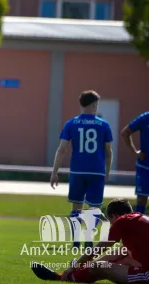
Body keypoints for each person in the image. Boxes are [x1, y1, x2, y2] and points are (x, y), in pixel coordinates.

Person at [50, 90, 113, 248]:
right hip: (97, 171)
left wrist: (54, 172)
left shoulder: (71, 123)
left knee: (76, 207)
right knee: (94, 208)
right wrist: (108, 171)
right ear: (93, 105)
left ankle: (76, 242)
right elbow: (108, 151)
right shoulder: (104, 125)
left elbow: (62, 149)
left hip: (77, 171)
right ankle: (89, 241)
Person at [31, 198, 149, 283]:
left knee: (100, 266)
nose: (111, 225)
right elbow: (115, 254)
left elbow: (97, 249)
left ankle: (62, 277)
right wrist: (86, 265)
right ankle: (76, 276)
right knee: (121, 256)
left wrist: (74, 266)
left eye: (110, 221)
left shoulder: (122, 221)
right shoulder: (140, 220)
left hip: (146, 275)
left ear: (115, 216)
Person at [121, 111, 149, 215]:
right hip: (145, 166)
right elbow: (125, 133)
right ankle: (138, 227)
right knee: (141, 199)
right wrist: (135, 151)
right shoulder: (145, 118)